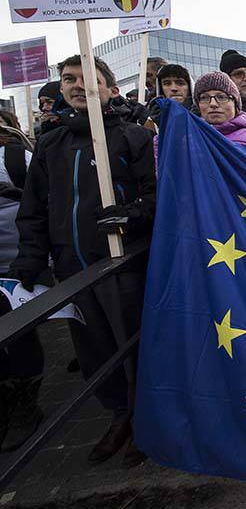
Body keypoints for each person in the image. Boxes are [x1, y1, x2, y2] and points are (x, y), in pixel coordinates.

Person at [11, 55, 156, 467]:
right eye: (68, 79)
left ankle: (145, 416)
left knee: (133, 343)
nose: (76, 85)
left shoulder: (133, 137)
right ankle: (118, 415)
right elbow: (34, 206)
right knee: (93, 349)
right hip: (72, 270)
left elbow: (157, 194)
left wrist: (135, 212)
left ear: (110, 88)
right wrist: (31, 256)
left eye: (87, 79)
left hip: (121, 263)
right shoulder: (50, 143)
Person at [0, 126, 41, 453]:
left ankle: (28, 399)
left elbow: (44, 200)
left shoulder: (15, 157)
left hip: (16, 265)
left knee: (20, 334)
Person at [147, 64, 194, 129]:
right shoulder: (151, 121)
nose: (174, 88)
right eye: (167, 83)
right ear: (161, 89)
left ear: (190, 86)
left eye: (180, 83)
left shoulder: (205, 114)